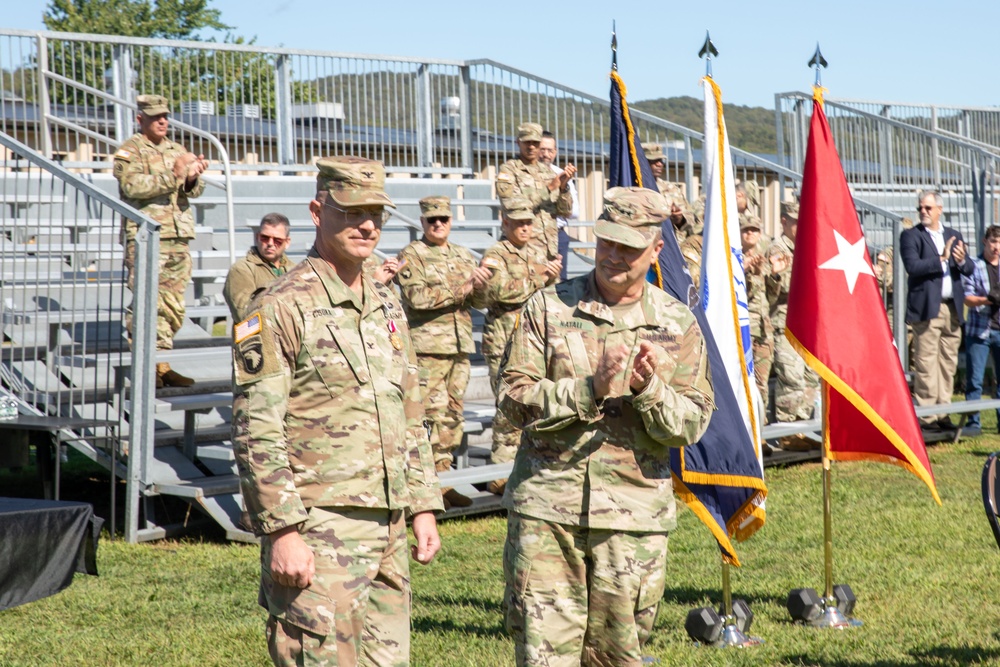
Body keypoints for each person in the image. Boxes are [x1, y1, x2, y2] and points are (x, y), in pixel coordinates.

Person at [231, 156, 443, 667]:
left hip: (389, 523)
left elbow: (407, 406)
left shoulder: (386, 302)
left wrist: (422, 505)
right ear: (317, 211)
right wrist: (281, 530)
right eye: (351, 212)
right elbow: (255, 427)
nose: (367, 225)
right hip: (319, 526)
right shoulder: (278, 305)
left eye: (376, 213)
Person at [498, 186, 715, 666]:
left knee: (618, 659)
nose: (614, 256)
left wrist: (648, 391)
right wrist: (588, 389)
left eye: (630, 247)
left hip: (632, 521)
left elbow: (692, 423)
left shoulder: (677, 323)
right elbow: (512, 400)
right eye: (607, 242)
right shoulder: (549, 307)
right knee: (543, 657)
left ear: (657, 250)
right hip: (548, 514)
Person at [395, 196, 493, 509]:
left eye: (444, 220)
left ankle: (443, 479)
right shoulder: (413, 255)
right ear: (422, 222)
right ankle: (423, 485)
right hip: (428, 349)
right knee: (428, 416)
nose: (438, 225)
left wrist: (480, 287)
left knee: (452, 415)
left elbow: (479, 303)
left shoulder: (463, 255)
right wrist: (461, 288)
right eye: (431, 220)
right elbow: (416, 298)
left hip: (459, 346)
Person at [115, 94, 208, 388]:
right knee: (147, 302)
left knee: (173, 305)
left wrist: (193, 177)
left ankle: (161, 365)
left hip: (178, 236)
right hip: (146, 237)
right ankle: (145, 368)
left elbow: (193, 191)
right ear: (140, 120)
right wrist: (176, 174)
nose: (163, 121)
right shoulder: (129, 151)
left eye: (165, 116)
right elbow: (131, 186)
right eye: (155, 117)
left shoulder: (176, 149)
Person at [470, 197, 561, 495]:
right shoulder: (497, 254)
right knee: (509, 406)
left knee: (537, 403)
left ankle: (530, 466)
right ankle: (500, 471)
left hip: (535, 338)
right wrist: (539, 277)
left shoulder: (537, 251)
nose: (524, 228)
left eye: (528, 223)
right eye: (518, 223)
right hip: (505, 340)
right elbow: (499, 292)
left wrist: (552, 277)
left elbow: (548, 292)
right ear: (505, 224)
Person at [901, 190, 974, 435]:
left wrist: (962, 261)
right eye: (920, 207)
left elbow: (969, 267)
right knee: (925, 362)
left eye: (928, 208)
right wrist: (942, 258)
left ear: (939, 210)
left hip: (952, 308)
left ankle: (943, 413)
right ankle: (927, 416)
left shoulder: (954, 235)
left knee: (947, 362)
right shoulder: (911, 236)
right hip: (927, 308)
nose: (923, 211)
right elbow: (912, 266)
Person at [767, 201, 820, 445]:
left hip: (807, 322)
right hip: (785, 323)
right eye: (795, 222)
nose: (800, 226)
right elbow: (779, 289)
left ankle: (802, 427)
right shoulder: (777, 250)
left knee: (810, 377)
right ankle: (787, 432)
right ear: (784, 222)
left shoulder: (808, 247)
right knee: (791, 376)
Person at [496, 122, 575, 261]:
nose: (531, 146)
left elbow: (565, 211)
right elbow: (511, 205)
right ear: (518, 142)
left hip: (548, 250)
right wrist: (549, 189)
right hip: (521, 249)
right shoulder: (509, 170)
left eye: (535, 143)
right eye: (527, 142)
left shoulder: (548, 172)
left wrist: (563, 188)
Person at [961, 225, 1000, 438]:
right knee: (975, 380)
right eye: (993, 242)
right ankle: (973, 423)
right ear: (985, 241)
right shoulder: (974, 265)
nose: (997, 247)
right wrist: (989, 299)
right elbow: (967, 298)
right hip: (979, 331)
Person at [223, 213, 295, 321]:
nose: (270, 243)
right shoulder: (241, 269)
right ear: (257, 237)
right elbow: (244, 315)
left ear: (287, 242)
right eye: (265, 238)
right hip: (260, 336)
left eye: (277, 240)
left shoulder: (295, 270)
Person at [742, 214, 773, 417]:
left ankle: (760, 431)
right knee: (745, 380)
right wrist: (746, 271)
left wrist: (771, 273)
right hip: (745, 328)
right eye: (746, 230)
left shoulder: (763, 258)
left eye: (755, 230)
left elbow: (773, 295)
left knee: (762, 382)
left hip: (763, 327)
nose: (751, 233)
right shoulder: (732, 259)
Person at [539, 130, 578, 280]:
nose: (546, 154)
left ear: (555, 152)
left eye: (550, 150)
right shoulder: (524, 175)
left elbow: (574, 212)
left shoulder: (562, 174)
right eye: (542, 149)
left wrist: (563, 187)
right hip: (532, 236)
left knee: (558, 285)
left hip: (557, 235)